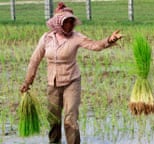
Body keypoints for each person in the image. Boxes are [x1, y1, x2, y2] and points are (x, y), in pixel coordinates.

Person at [20, 2, 122, 144]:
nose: (69, 25)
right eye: (65, 22)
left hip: (71, 82)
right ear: (57, 23)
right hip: (53, 83)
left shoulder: (76, 37)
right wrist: (27, 81)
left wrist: (109, 40)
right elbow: (34, 60)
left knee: (70, 119)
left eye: (71, 21)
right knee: (53, 119)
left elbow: (95, 45)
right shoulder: (46, 38)